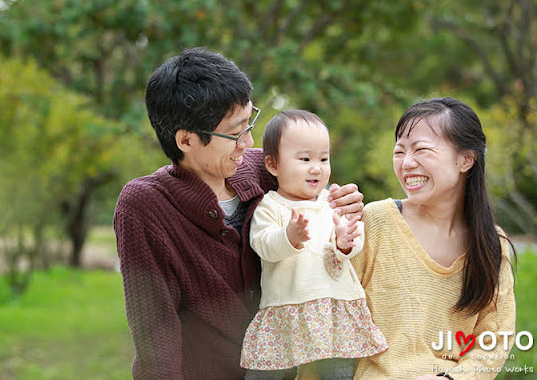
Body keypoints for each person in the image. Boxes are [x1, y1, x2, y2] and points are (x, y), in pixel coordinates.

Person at [113, 47, 365, 379]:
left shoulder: (267, 168)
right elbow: (155, 338)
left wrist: (344, 203)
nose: (248, 142)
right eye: (234, 133)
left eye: (250, 123)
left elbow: (321, 209)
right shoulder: (144, 207)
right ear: (186, 140)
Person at [351, 97, 516, 379]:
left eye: (421, 150)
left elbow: (495, 338)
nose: (407, 163)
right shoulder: (376, 221)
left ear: (465, 159)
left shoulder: (491, 243)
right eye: (399, 152)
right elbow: (330, 306)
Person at [240, 110, 387, 379]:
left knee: (338, 371)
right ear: (273, 165)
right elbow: (262, 244)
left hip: (333, 306)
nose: (316, 167)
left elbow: (350, 247)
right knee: (265, 371)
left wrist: (344, 242)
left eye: (324, 158)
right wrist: (289, 236)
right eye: (305, 159)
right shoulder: (271, 206)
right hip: (286, 308)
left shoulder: (331, 202)